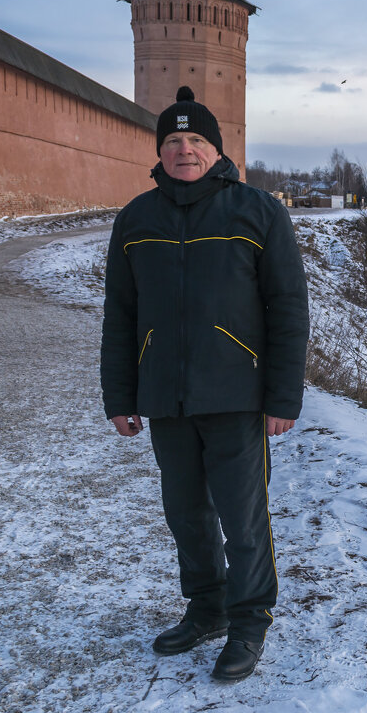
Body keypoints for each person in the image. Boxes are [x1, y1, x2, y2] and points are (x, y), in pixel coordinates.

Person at [100, 86, 309, 682]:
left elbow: (288, 309)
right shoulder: (136, 219)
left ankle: (248, 620)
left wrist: (282, 396)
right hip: (165, 396)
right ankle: (207, 606)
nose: (184, 150)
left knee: (243, 518)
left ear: (216, 149)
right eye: (173, 140)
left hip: (236, 395)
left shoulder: (258, 211)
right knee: (185, 513)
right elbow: (120, 313)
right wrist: (120, 395)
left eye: (195, 140)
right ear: (160, 151)